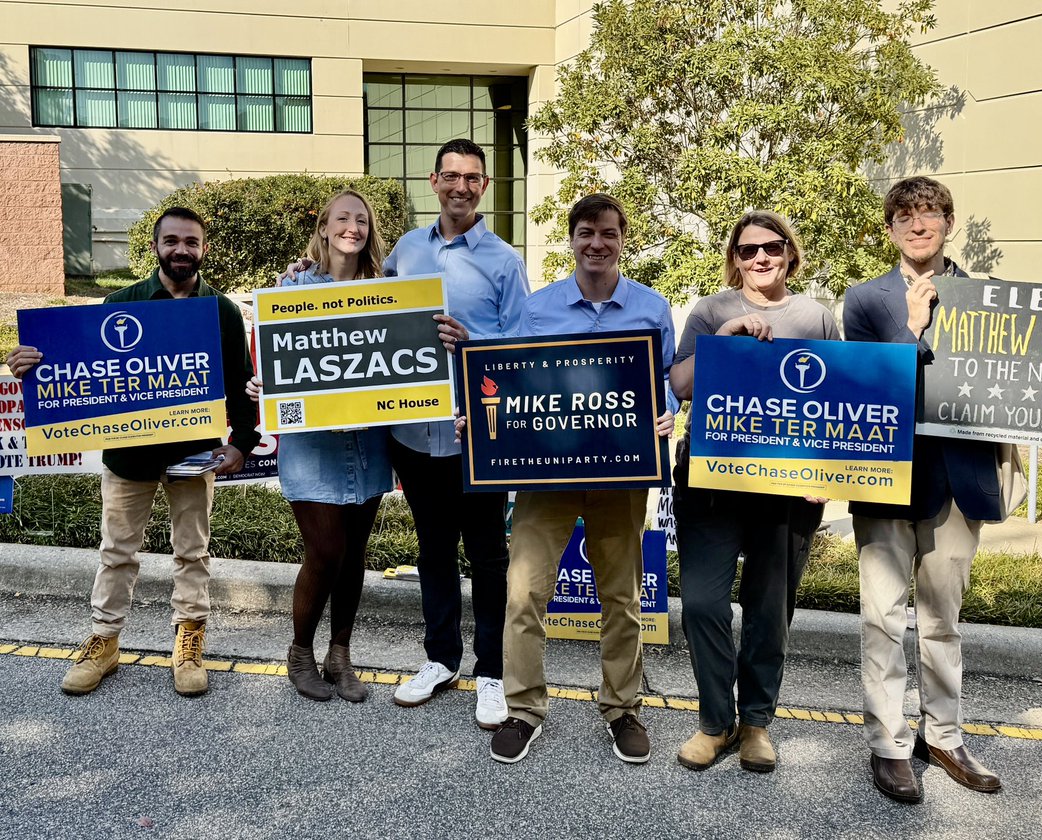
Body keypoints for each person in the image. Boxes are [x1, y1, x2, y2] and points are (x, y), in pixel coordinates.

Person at [842, 176, 1042, 803]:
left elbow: (1035, 389)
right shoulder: (865, 301)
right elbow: (874, 385)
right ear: (890, 228)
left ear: (949, 223)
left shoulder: (993, 302)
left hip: (961, 480)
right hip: (885, 475)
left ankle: (945, 737)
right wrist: (916, 324)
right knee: (880, 619)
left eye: (929, 215)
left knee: (941, 621)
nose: (918, 226)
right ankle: (890, 747)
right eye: (904, 216)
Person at [284, 139, 529, 727]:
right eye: (451, 176)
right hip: (413, 438)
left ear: (485, 186)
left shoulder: (503, 260)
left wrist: (474, 342)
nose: (461, 187)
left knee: (490, 557)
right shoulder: (404, 251)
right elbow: (363, 327)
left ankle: (491, 671)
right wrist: (297, 285)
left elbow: (522, 346)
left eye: (473, 178)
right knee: (434, 552)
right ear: (434, 181)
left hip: (478, 432)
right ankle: (441, 659)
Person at [6, 207, 259, 697]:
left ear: (203, 249)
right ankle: (105, 641)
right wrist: (30, 362)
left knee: (192, 552)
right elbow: (81, 365)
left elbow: (239, 382)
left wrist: (241, 444)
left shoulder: (221, 311)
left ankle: (189, 640)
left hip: (194, 453)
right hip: (129, 456)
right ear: (155, 247)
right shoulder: (120, 303)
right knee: (116, 553)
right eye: (172, 241)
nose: (181, 249)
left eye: (191, 241)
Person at [488, 193, 676, 765]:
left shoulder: (652, 308)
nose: (597, 243)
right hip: (545, 475)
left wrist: (664, 409)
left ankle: (622, 709)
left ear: (623, 241)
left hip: (621, 473)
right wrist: (482, 412)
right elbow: (505, 373)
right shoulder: (537, 307)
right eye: (586, 233)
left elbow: (662, 377)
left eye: (608, 234)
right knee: (524, 594)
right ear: (571, 240)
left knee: (621, 598)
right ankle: (523, 709)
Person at [669, 210, 835, 773]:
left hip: (788, 493)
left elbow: (838, 401)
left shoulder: (815, 316)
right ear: (734, 258)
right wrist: (723, 339)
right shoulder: (710, 311)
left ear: (790, 252)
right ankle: (716, 722)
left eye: (771, 247)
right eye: (747, 250)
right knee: (702, 604)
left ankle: (757, 723)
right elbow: (680, 386)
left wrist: (831, 475)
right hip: (711, 485)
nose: (759, 258)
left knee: (769, 610)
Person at [249, 190, 394, 702]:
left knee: (354, 551)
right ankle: (300, 652)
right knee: (326, 549)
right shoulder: (294, 286)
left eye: (360, 219)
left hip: (368, 440)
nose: (351, 227)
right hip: (312, 443)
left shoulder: (387, 288)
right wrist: (263, 384)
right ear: (325, 227)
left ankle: (340, 653)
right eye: (341, 218)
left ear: (369, 229)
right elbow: (271, 359)